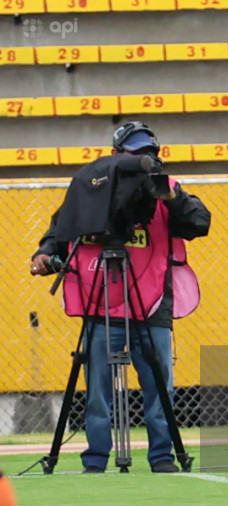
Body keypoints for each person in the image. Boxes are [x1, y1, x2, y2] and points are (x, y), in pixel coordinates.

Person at [30, 122, 211, 473]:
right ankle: (96, 460)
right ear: (114, 157)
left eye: (146, 157)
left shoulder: (167, 190)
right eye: (132, 157)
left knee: (160, 389)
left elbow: (199, 223)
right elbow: (61, 232)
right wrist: (45, 253)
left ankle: (162, 457)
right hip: (101, 303)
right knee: (97, 391)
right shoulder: (90, 188)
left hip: (152, 303)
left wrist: (171, 199)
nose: (139, 164)